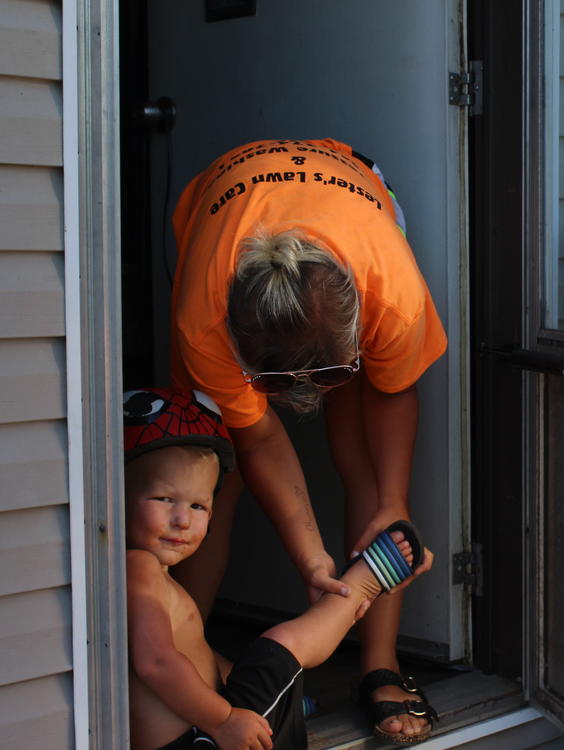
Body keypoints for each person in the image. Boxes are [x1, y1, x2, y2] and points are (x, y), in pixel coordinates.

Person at [169, 138, 447, 743]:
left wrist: (393, 506)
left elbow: (394, 393)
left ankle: (380, 664)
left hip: (351, 205)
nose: (305, 392)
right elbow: (259, 438)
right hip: (222, 204)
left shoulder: (389, 293)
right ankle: (189, 656)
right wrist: (310, 557)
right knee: (210, 472)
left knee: (366, 467)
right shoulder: (204, 316)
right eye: (278, 380)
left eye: (325, 375)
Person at [123, 387, 432, 750]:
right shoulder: (137, 568)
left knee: (242, 668)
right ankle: (356, 593)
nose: (182, 520)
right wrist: (223, 720)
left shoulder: (148, 574)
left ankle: (283, 701)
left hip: (206, 732)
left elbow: (196, 662)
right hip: (203, 739)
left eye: (198, 506)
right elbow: (155, 663)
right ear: (117, 498)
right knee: (278, 649)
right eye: (164, 499)